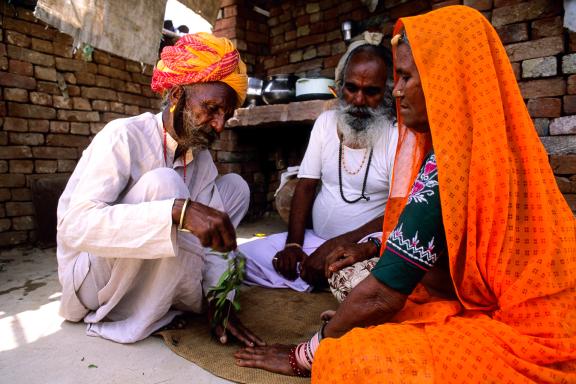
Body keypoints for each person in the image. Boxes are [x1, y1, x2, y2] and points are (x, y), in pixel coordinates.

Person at [234, 6, 576, 382]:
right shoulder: (479, 146)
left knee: (354, 359)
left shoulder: (450, 163)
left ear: (443, 81)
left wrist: (308, 353)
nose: (397, 91)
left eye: (405, 78)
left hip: (539, 338)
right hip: (511, 307)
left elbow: (383, 295)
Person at [56, 32, 264, 346]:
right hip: (92, 284)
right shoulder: (124, 136)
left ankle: (174, 297)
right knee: (166, 185)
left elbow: (211, 244)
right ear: (178, 95)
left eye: (226, 115)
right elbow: (75, 228)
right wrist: (177, 211)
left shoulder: (201, 159)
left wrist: (221, 297)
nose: (219, 125)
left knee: (235, 188)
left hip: (140, 273)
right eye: (210, 109)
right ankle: (141, 310)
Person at [239, 33, 398, 292]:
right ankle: (316, 275)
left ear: (387, 94)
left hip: (361, 247)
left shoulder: (395, 135)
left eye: (371, 92)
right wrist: (293, 245)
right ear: (340, 87)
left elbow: (398, 212)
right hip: (315, 242)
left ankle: (325, 277)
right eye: (352, 88)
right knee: (235, 259)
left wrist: (337, 245)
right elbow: (305, 186)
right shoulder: (326, 124)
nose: (358, 100)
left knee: (371, 279)